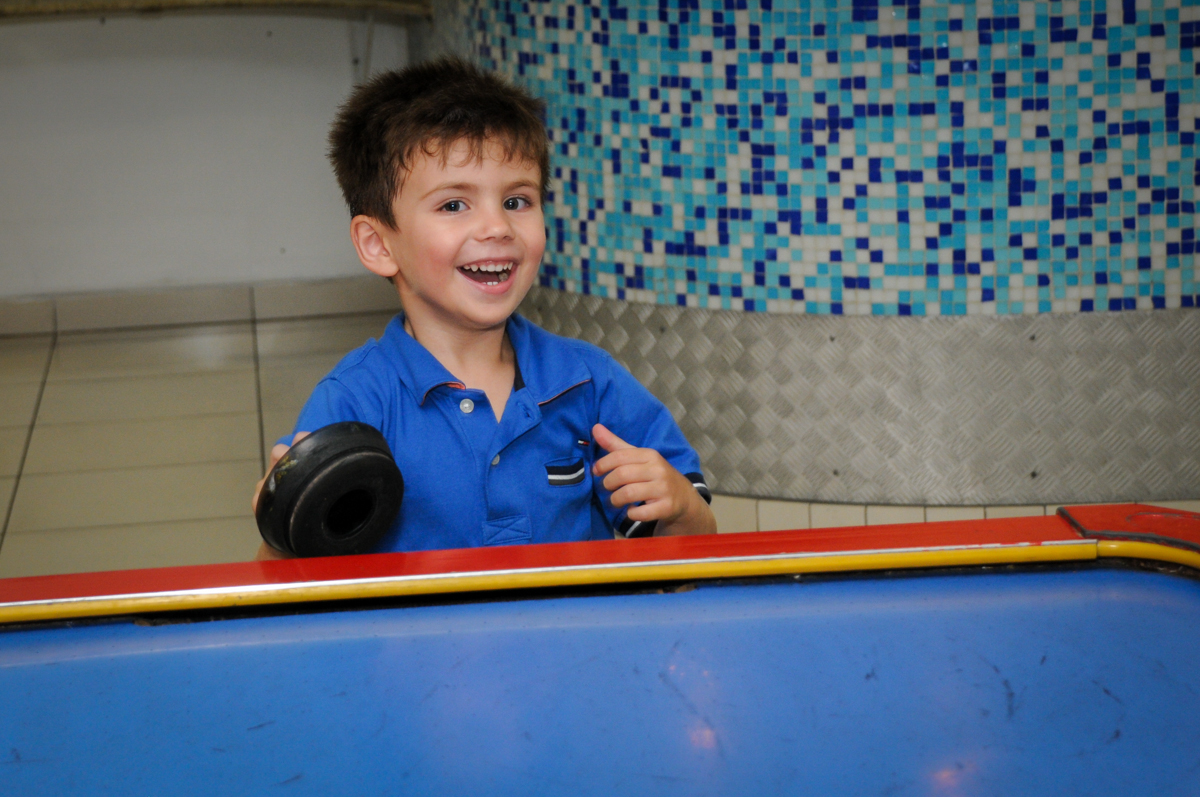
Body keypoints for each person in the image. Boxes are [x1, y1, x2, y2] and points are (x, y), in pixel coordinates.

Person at [253, 58, 716, 559]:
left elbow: (692, 546)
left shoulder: (587, 382)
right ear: (378, 244)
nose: (497, 227)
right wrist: (283, 529)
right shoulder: (356, 404)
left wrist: (681, 506)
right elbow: (288, 584)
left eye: (517, 201)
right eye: (454, 205)